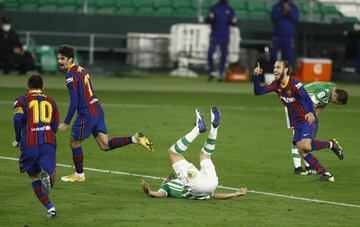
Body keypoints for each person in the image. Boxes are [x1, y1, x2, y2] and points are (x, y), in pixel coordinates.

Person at [56, 44, 154, 183]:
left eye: (63, 58)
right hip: (97, 109)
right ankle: (135, 139)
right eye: (58, 58)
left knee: (74, 143)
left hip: (86, 113)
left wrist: (66, 122)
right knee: (104, 145)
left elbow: (74, 102)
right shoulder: (81, 69)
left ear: (70, 59)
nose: (60, 61)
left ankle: (79, 175)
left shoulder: (70, 75)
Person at [253, 60, 344, 182]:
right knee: (301, 149)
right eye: (274, 67)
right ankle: (326, 172)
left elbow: (306, 98)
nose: (275, 69)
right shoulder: (276, 85)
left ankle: (331, 146)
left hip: (306, 118)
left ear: (285, 70)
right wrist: (256, 76)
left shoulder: (295, 84)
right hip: (295, 121)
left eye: (278, 67)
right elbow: (258, 91)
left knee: (306, 146)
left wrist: (310, 113)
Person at [141, 107, 247, 199]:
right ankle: (210, 129)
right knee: (175, 153)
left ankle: (204, 128)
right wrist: (236, 194)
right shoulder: (169, 186)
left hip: (210, 185)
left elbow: (212, 195)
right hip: (199, 184)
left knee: (202, 154)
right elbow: (160, 194)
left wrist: (236, 194)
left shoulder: (172, 185)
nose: (165, 180)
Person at [12, 75, 59, 218]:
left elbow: (18, 118)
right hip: (48, 143)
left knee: (34, 177)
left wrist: (17, 138)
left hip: (30, 145)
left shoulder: (21, 100)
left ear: (28, 86)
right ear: (43, 86)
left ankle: (51, 209)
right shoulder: (51, 100)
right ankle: (48, 174)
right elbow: (55, 125)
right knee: (51, 176)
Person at [287, 82, 348, 175]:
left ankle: (307, 166)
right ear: (335, 95)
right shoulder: (324, 92)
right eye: (335, 102)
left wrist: (312, 122)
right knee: (296, 135)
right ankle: (298, 167)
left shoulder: (332, 88)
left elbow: (321, 106)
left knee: (305, 138)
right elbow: (309, 103)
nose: (334, 103)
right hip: (295, 104)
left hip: (301, 105)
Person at [206, 0, 237, 81]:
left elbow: (233, 22)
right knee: (210, 53)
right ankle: (211, 72)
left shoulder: (229, 9)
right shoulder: (214, 8)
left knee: (224, 55)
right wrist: (210, 18)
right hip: (215, 34)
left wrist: (233, 21)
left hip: (224, 35)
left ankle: (221, 73)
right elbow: (208, 20)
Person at [270, 0, 299, 70]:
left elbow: (296, 18)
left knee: (289, 56)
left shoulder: (293, 6)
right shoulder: (277, 6)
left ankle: (288, 74)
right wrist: (283, 12)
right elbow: (273, 17)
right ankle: (274, 72)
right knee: (274, 55)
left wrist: (289, 11)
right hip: (278, 35)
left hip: (289, 36)